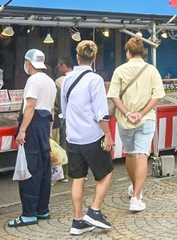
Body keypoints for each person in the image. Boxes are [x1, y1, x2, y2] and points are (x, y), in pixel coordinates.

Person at [61, 40, 114, 235]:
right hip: (92, 135)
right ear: (94, 58)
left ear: (77, 56)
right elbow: (101, 113)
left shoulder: (67, 79)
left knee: (77, 178)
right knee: (106, 172)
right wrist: (108, 135)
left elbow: (64, 110)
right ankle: (95, 210)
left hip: (73, 136)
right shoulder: (95, 80)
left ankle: (77, 221)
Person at [108, 36, 164, 212]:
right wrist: (141, 113)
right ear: (143, 52)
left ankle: (135, 189)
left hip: (125, 120)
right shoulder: (152, 70)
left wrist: (127, 113)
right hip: (146, 119)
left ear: (128, 52)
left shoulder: (120, 70)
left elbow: (113, 96)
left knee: (131, 155)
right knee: (142, 155)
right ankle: (136, 196)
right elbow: (157, 96)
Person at [7, 49, 56, 228]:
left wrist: (22, 130)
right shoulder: (50, 81)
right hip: (43, 127)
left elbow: (30, 106)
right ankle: (42, 209)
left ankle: (29, 213)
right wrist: (49, 131)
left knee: (30, 170)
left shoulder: (33, 80)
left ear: (28, 63)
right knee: (43, 170)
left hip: (33, 127)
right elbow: (51, 110)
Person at [52, 56, 73, 181]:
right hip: (78, 116)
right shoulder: (80, 77)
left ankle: (64, 174)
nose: (59, 69)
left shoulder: (59, 81)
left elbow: (58, 103)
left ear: (64, 66)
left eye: (59, 66)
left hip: (65, 117)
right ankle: (82, 172)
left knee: (63, 144)